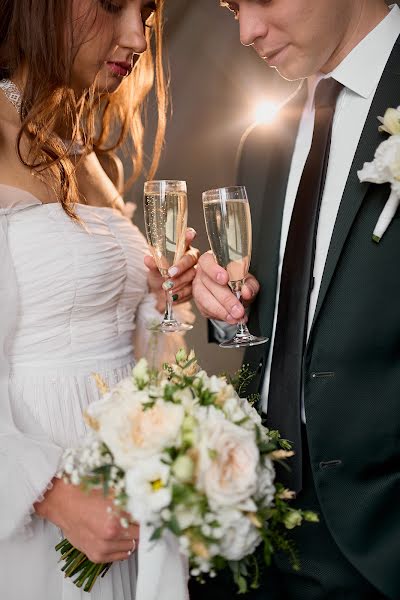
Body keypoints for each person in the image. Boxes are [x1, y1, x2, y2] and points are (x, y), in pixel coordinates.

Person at [192, 1, 400, 598]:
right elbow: (262, 341)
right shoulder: (263, 141)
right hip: (261, 543)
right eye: (233, 7)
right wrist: (223, 310)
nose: (246, 30)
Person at [0, 1, 198, 599]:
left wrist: (161, 300)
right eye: (114, 4)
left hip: (126, 504)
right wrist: (50, 494)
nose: (137, 36)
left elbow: (120, 341)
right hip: (37, 519)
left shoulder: (85, 148)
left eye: (147, 11)